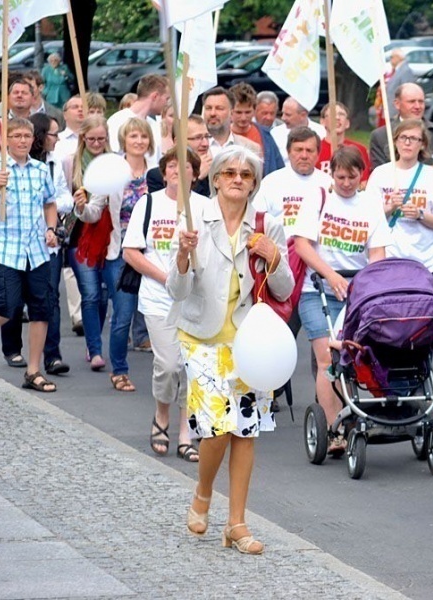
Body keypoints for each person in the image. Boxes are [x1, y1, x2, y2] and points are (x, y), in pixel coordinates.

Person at [169, 145, 293, 554]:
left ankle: (237, 524)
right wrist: (184, 256)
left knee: (246, 433)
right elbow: (177, 290)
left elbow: (285, 288)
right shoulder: (194, 219)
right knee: (218, 427)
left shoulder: (267, 224)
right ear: (217, 179)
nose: (238, 178)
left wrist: (274, 259)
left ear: (254, 183)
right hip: (202, 338)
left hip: (249, 341)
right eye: (230, 172)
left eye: (246, 174)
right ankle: (203, 493)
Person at [292, 146, 390, 452]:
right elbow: (302, 245)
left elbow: (377, 254)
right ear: (331, 175)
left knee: (358, 355)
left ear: (361, 176)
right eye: (340, 176)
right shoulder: (319, 200)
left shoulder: (370, 205)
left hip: (355, 294)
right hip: (317, 289)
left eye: (352, 177)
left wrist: (365, 286)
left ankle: (361, 413)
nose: (346, 183)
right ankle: (335, 430)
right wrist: (331, 275)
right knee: (327, 359)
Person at [124, 147, 209, 462]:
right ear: (164, 171)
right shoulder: (148, 204)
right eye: (172, 166)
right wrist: (166, 277)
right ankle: (162, 413)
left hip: (194, 302)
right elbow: (132, 252)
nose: (178, 171)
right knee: (168, 365)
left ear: (195, 175)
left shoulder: (205, 208)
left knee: (190, 368)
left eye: (185, 167)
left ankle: (186, 431)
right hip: (158, 298)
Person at [0, 117, 59, 393]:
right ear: (6, 140)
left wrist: (52, 228)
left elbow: (49, 203)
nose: (21, 140)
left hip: (37, 250)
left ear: (33, 140)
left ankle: (33, 371)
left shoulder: (41, 170)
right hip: (6, 249)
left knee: (41, 309)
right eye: (16, 135)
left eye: (26, 136)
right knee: (9, 304)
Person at [73, 117, 152, 392]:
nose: (139, 142)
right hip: (122, 253)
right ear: (124, 141)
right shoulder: (112, 169)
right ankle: (119, 369)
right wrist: (82, 208)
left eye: (143, 137)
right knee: (123, 315)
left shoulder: (157, 172)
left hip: (155, 251)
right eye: (133, 137)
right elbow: (94, 211)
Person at [0, 113, 73, 376]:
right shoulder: (6, 166)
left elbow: (62, 198)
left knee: (48, 299)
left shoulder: (52, 165)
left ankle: (51, 356)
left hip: (46, 243)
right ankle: (11, 347)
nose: (57, 138)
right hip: (14, 244)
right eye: (53, 134)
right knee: (14, 301)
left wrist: (50, 210)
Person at [366, 119, 433, 289]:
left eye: (414, 139)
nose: (407, 143)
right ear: (395, 141)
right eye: (403, 137)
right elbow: (367, 220)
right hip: (389, 258)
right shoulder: (380, 174)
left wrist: (420, 215)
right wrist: (389, 208)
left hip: (426, 261)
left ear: (422, 144)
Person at [62, 115, 111, 368]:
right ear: (83, 138)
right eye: (91, 139)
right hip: (79, 237)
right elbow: (61, 198)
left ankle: (94, 342)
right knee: (90, 295)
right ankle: (95, 350)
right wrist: (75, 202)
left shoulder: (114, 162)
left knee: (103, 296)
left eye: (101, 139)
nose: (96, 143)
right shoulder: (70, 163)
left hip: (108, 238)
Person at [253, 126, 331, 238]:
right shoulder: (271, 183)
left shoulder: (328, 184)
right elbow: (257, 222)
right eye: (298, 150)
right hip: (279, 250)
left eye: (309, 151)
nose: (304, 156)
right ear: (288, 152)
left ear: (318, 154)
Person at [369, 83, 433, 170]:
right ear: (397, 104)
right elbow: (380, 175)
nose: (417, 106)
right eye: (412, 101)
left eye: (421, 101)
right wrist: (425, 173)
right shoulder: (381, 136)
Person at [106, 74, 169, 165]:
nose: (167, 103)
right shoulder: (117, 122)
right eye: (167, 98)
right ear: (155, 96)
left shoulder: (155, 125)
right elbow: (113, 157)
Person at [147, 115, 213, 197]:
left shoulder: (217, 172)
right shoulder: (158, 176)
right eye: (197, 138)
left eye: (207, 137)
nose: (205, 143)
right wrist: (197, 177)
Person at [229, 82, 284, 175]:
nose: (243, 117)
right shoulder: (222, 136)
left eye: (248, 112)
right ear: (230, 111)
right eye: (238, 112)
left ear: (255, 110)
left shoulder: (266, 136)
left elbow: (279, 169)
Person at [201, 87, 262, 160]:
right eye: (208, 108)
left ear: (231, 113)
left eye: (219, 108)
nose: (212, 113)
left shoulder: (250, 148)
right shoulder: (190, 145)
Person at [316, 101, 371, 183]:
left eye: (341, 114)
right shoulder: (315, 149)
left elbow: (364, 181)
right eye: (332, 114)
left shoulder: (359, 150)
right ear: (322, 121)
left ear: (347, 123)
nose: (337, 118)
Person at [269, 97, 327, 163]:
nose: (283, 118)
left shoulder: (322, 133)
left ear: (303, 115)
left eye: (288, 115)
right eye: (283, 113)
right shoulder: (275, 134)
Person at [383, 49, 417, 117]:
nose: (390, 59)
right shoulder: (398, 70)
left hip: (398, 111)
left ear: (398, 57)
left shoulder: (406, 71)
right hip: (393, 109)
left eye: (391, 57)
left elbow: (407, 92)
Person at [54, 95, 85, 163]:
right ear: (65, 115)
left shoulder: (96, 140)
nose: (80, 109)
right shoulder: (56, 140)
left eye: (83, 107)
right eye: (75, 107)